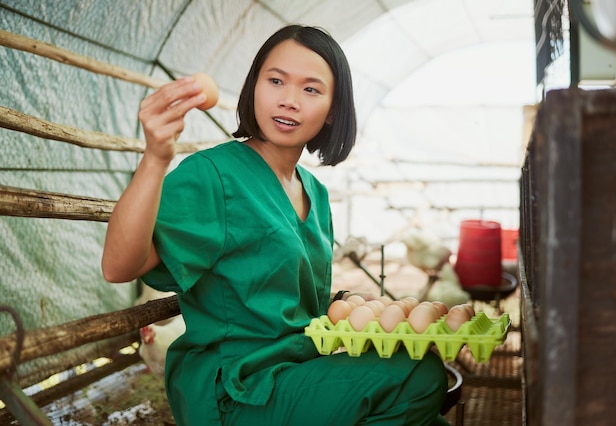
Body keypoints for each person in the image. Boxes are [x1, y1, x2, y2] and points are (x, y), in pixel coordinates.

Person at [102, 24, 450, 426]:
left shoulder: (315, 194)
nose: (288, 100)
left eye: (311, 89)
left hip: (295, 375)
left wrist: (345, 303)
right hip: (236, 389)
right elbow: (119, 267)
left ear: (333, 109)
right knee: (421, 377)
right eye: (275, 81)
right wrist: (156, 157)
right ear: (254, 88)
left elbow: (298, 300)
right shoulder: (214, 174)